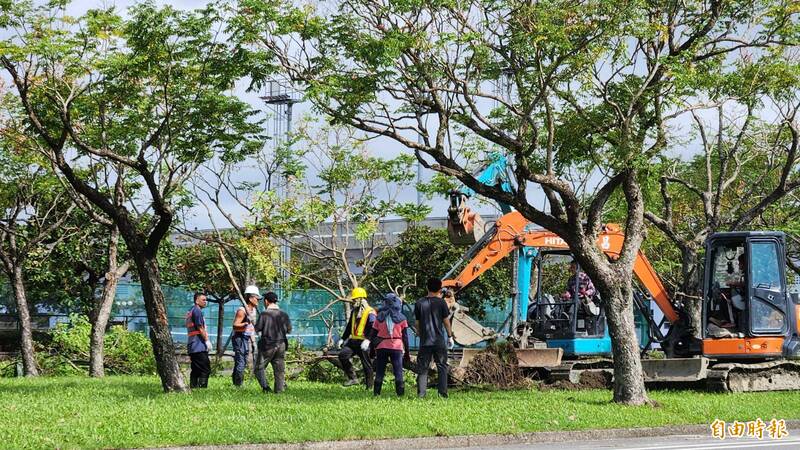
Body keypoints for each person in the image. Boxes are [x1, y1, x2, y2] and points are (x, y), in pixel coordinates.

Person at [414, 278, 454, 398]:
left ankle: (421, 394)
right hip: (439, 341)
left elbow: (417, 323)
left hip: (425, 341)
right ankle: (442, 394)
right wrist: (450, 336)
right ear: (440, 289)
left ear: (427, 287)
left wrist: (420, 333)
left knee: (423, 368)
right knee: (441, 366)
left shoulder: (419, 303)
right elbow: (446, 322)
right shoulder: (441, 303)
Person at [368, 293, 410, 397]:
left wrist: (372, 350)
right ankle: (400, 395)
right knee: (398, 372)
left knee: (380, 372)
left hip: (381, 347)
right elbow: (405, 337)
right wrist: (407, 353)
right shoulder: (402, 318)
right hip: (396, 347)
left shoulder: (379, 317)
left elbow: (372, 335)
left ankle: (376, 394)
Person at [337, 287, 376, 388]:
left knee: (366, 364)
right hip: (353, 341)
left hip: (364, 342)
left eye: (354, 299)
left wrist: (368, 340)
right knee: (343, 355)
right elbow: (349, 326)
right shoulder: (355, 311)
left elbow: (374, 327)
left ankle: (369, 386)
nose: (353, 301)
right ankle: (353, 378)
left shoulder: (370, 312)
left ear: (360, 299)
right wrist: (343, 338)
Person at [254, 291, 292, 393]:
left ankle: (266, 388)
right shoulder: (284, 314)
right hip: (281, 344)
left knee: (258, 367)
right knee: (279, 370)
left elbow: (257, 329)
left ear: (266, 301)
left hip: (268, 345)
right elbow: (289, 329)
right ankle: (279, 391)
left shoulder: (264, 314)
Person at [231, 285, 259, 387]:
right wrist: (245, 324)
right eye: (256, 298)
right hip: (239, 337)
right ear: (250, 298)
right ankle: (238, 385)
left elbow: (251, 329)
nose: (258, 301)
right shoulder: (242, 311)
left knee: (241, 360)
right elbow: (235, 325)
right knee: (241, 361)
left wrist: (253, 341)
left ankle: (235, 382)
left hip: (246, 337)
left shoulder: (253, 310)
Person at [185, 292, 212, 389]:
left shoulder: (191, 311)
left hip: (192, 344)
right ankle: (202, 389)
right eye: (203, 300)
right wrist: (207, 341)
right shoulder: (197, 311)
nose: (205, 302)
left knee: (196, 369)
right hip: (198, 345)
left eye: (206, 300)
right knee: (205, 368)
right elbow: (200, 327)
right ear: (197, 301)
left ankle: (193, 387)